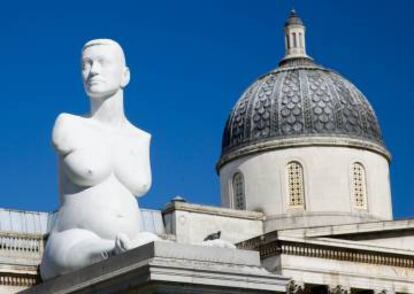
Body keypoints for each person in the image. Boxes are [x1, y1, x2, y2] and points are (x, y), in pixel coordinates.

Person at [40, 39, 158, 280]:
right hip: (73, 242)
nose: (92, 70)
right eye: (86, 64)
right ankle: (111, 250)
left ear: (125, 76)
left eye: (102, 62)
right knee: (95, 248)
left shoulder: (140, 138)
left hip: (134, 242)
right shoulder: (68, 125)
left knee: (154, 244)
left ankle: (210, 251)